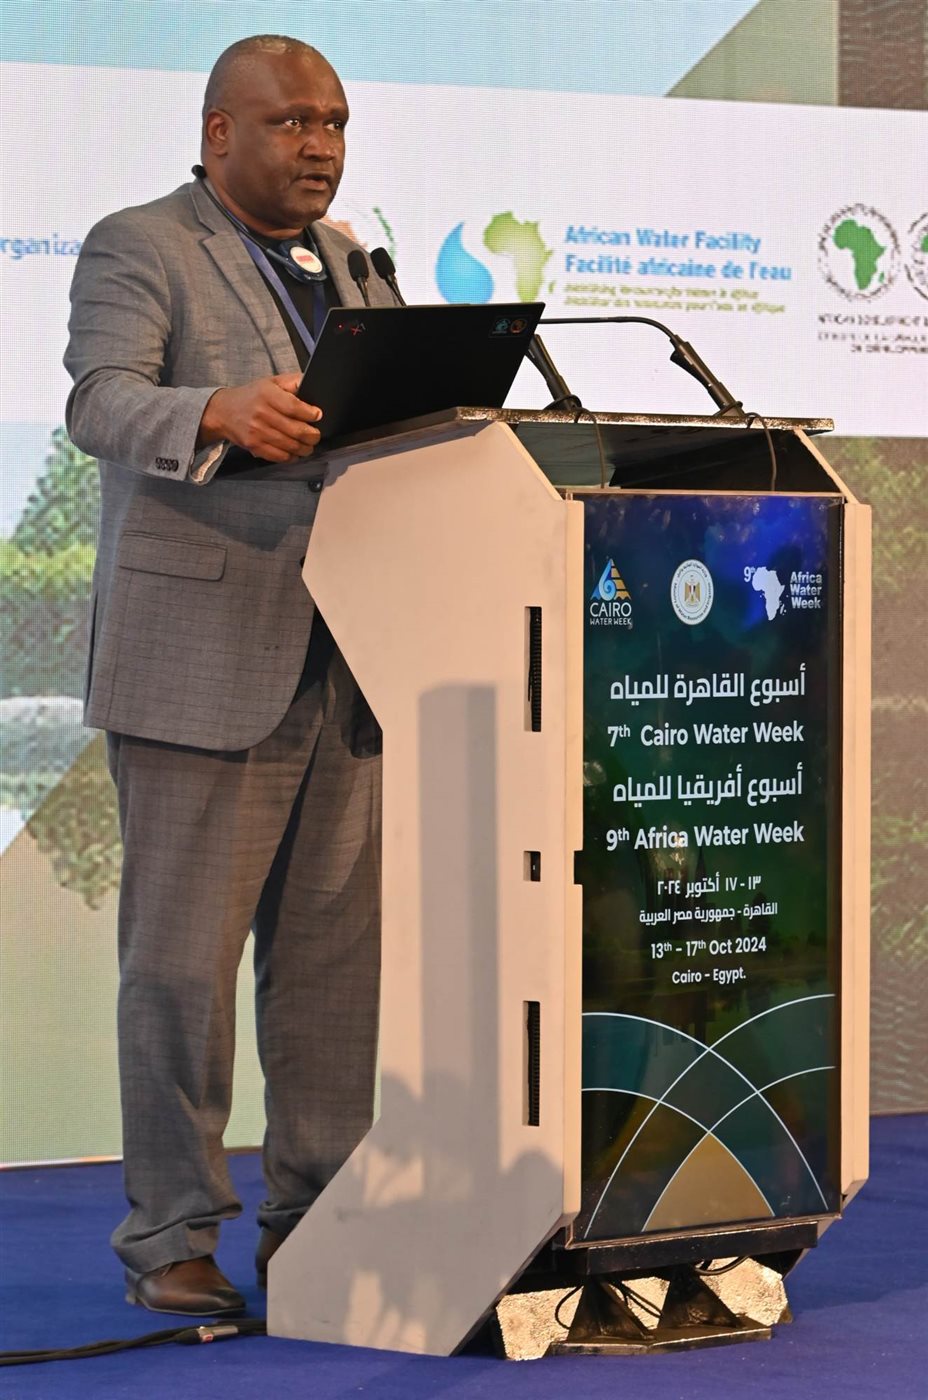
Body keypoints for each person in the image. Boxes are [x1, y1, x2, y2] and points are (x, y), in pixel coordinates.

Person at [64, 35, 394, 1316]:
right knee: (179, 976)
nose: (320, 145)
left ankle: (320, 1222)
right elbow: (100, 399)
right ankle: (172, 1236)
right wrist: (213, 409)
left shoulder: (356, 265)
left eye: (335, 122)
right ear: (219, 133)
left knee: (332, 977)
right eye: (293, 121)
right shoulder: (141, 243)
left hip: (350, 661)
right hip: (198, 663)